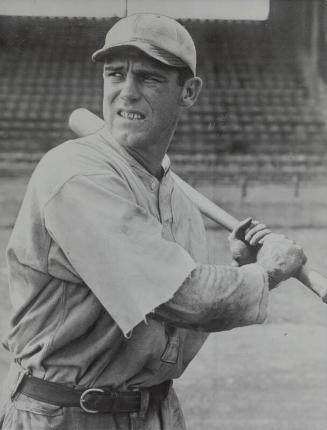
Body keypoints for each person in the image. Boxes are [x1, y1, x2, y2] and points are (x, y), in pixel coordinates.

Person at [0, 13, 306, 430]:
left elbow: (181, 326)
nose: (126, 93)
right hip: (64, 414)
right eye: (115, 74)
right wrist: (264, 274)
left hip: (153, 412)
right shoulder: (75, 174)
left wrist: (239, 270)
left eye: (149, 78)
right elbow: (178, 297)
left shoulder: (178, 201)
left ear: (189, 91)